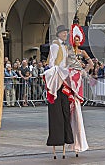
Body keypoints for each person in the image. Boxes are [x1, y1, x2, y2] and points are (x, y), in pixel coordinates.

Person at [62, 23, 94, 157]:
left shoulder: (82, 52)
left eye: (78, 39)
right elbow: (63, 64)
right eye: (74, 39)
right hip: (69, 77)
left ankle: (78, 141)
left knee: (76, 104)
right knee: (69, 105)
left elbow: (91, 64)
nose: (76, 41)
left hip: (77, 78)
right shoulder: (68, 51)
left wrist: (83, 72)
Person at [44, 25, 74, 159]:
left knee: (65, 112)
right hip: (57, 79)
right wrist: (59, 73)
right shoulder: (55, 46)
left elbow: (65, 63)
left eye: (66, 33)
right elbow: (52, 63)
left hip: (64, 78)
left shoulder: (65, 47)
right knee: (57, 112)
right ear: (59, 34)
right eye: (63, 33)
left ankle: (66, 137)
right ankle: (57, 139)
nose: (65, 35)